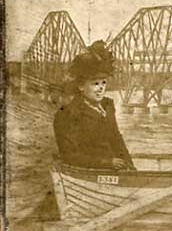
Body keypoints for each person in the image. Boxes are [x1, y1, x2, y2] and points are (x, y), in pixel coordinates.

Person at [53, 41, 135, 170]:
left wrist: (130, 166)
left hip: (113, 171)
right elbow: (69, 156)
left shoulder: (107, 107)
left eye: (103, 83)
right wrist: (107, 163)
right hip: (88, 171)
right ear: (81, 86)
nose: (101, 88)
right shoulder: (67, 114)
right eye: (95, 84)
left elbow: (116, 139)